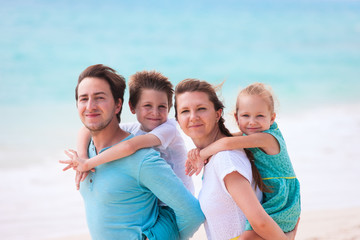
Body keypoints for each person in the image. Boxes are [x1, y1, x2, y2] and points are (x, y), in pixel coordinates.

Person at [60, 64, 204, 240]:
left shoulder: (144, 158)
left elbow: (193, 214)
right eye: (83, 99)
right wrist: (83, 157)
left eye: (99, 98)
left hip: (169, 207)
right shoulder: (91, 148)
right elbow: (85, 130)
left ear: (118, 105)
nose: (90, 106)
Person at [174, 78, 298, 240]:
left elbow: (260, 222)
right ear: (177, 119)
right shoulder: (220, 154)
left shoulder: (225, 159)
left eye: (201, 108)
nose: (193, 117)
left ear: (218, 114)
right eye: (184, 111)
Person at [68, 70, 194, 195]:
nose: (155, 113)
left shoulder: (168, 129)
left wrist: (88, 164)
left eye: (162, 107)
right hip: (155, 199)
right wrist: (83, 156)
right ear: (132, 107)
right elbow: (86, 129)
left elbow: (129, 146)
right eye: (147, 106)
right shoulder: (135, 128)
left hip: (173, 206)